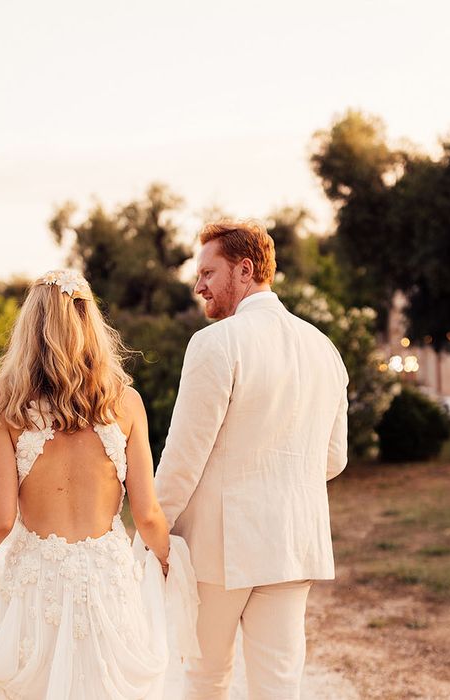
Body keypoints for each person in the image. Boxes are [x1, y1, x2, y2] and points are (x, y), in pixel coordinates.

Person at [0, 270, 199, 700]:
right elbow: (146, 514)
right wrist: (168, 561)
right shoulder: (125, 403)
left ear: (29, 330)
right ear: (91, 326)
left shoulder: (3, 407)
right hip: (107, 583)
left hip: (36, 586)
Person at [154, 220, 349, 699]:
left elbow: (184, 456)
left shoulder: (215, 344)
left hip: (219, 548)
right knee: (279, 686)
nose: (199, 285)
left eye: (208, 272)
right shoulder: (324, 349)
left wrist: (153, 532)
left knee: (205, 679)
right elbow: (334, 457)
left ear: (245, 270)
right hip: (291, 542)